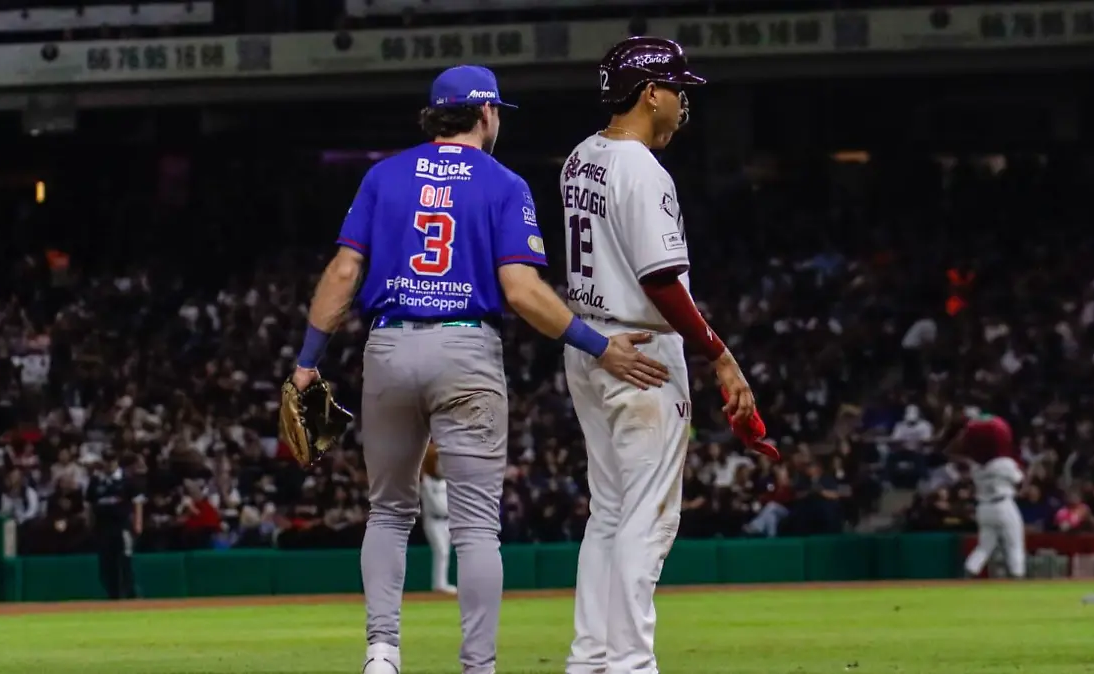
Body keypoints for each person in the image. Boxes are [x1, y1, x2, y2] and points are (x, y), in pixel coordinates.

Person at [287, 64, 669, 674]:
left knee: (388, 512)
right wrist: (599, 345)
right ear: (486, 112)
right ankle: (478, 667)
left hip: (389, 347)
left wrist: (307, 363)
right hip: (465, 351)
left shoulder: (383, 176)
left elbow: (342, 273)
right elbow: (521, 290)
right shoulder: (503, 183)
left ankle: (382, 653)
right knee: (475, 529)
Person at [560, 37, 777, 674]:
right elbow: (659, 279)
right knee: (648, 516)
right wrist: (719, 354)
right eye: (678, 90)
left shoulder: (580, 156)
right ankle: (630, 663)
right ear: (650, 93)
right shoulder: (642, 168)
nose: (684, 103)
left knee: (608, 511)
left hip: (592, 345)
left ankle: (590, 659)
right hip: (643, 350)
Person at [948, 408, 1026, 578]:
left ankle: (968, 572)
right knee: (1015, 544)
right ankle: (1017, 576)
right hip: (1003, 505)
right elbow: (1019, 480)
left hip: (984, 508)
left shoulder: (976, 467)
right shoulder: (1004, 463)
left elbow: (956, 452)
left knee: (984, 546)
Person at [84, 450, 144, 599]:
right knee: (106, 562)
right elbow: (89, 505)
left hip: (122, 526)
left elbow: (137, 503)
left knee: (125, 560)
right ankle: (113, 595)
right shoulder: (96, 482)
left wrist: (138, 523)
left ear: (117, 461)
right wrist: (89, 523)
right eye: (106, 460)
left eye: (112, 460)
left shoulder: (127, 480)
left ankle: (131, 594)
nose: (109, 463)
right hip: (103, 527)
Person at [421, 441, 456, 595]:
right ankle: (439, 584)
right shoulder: (427, 482)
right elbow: (434, 504)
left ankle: (441, 583)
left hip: (447, 520)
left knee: (445, 552)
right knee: (441, 550)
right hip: (433, 520)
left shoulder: (446, 481)